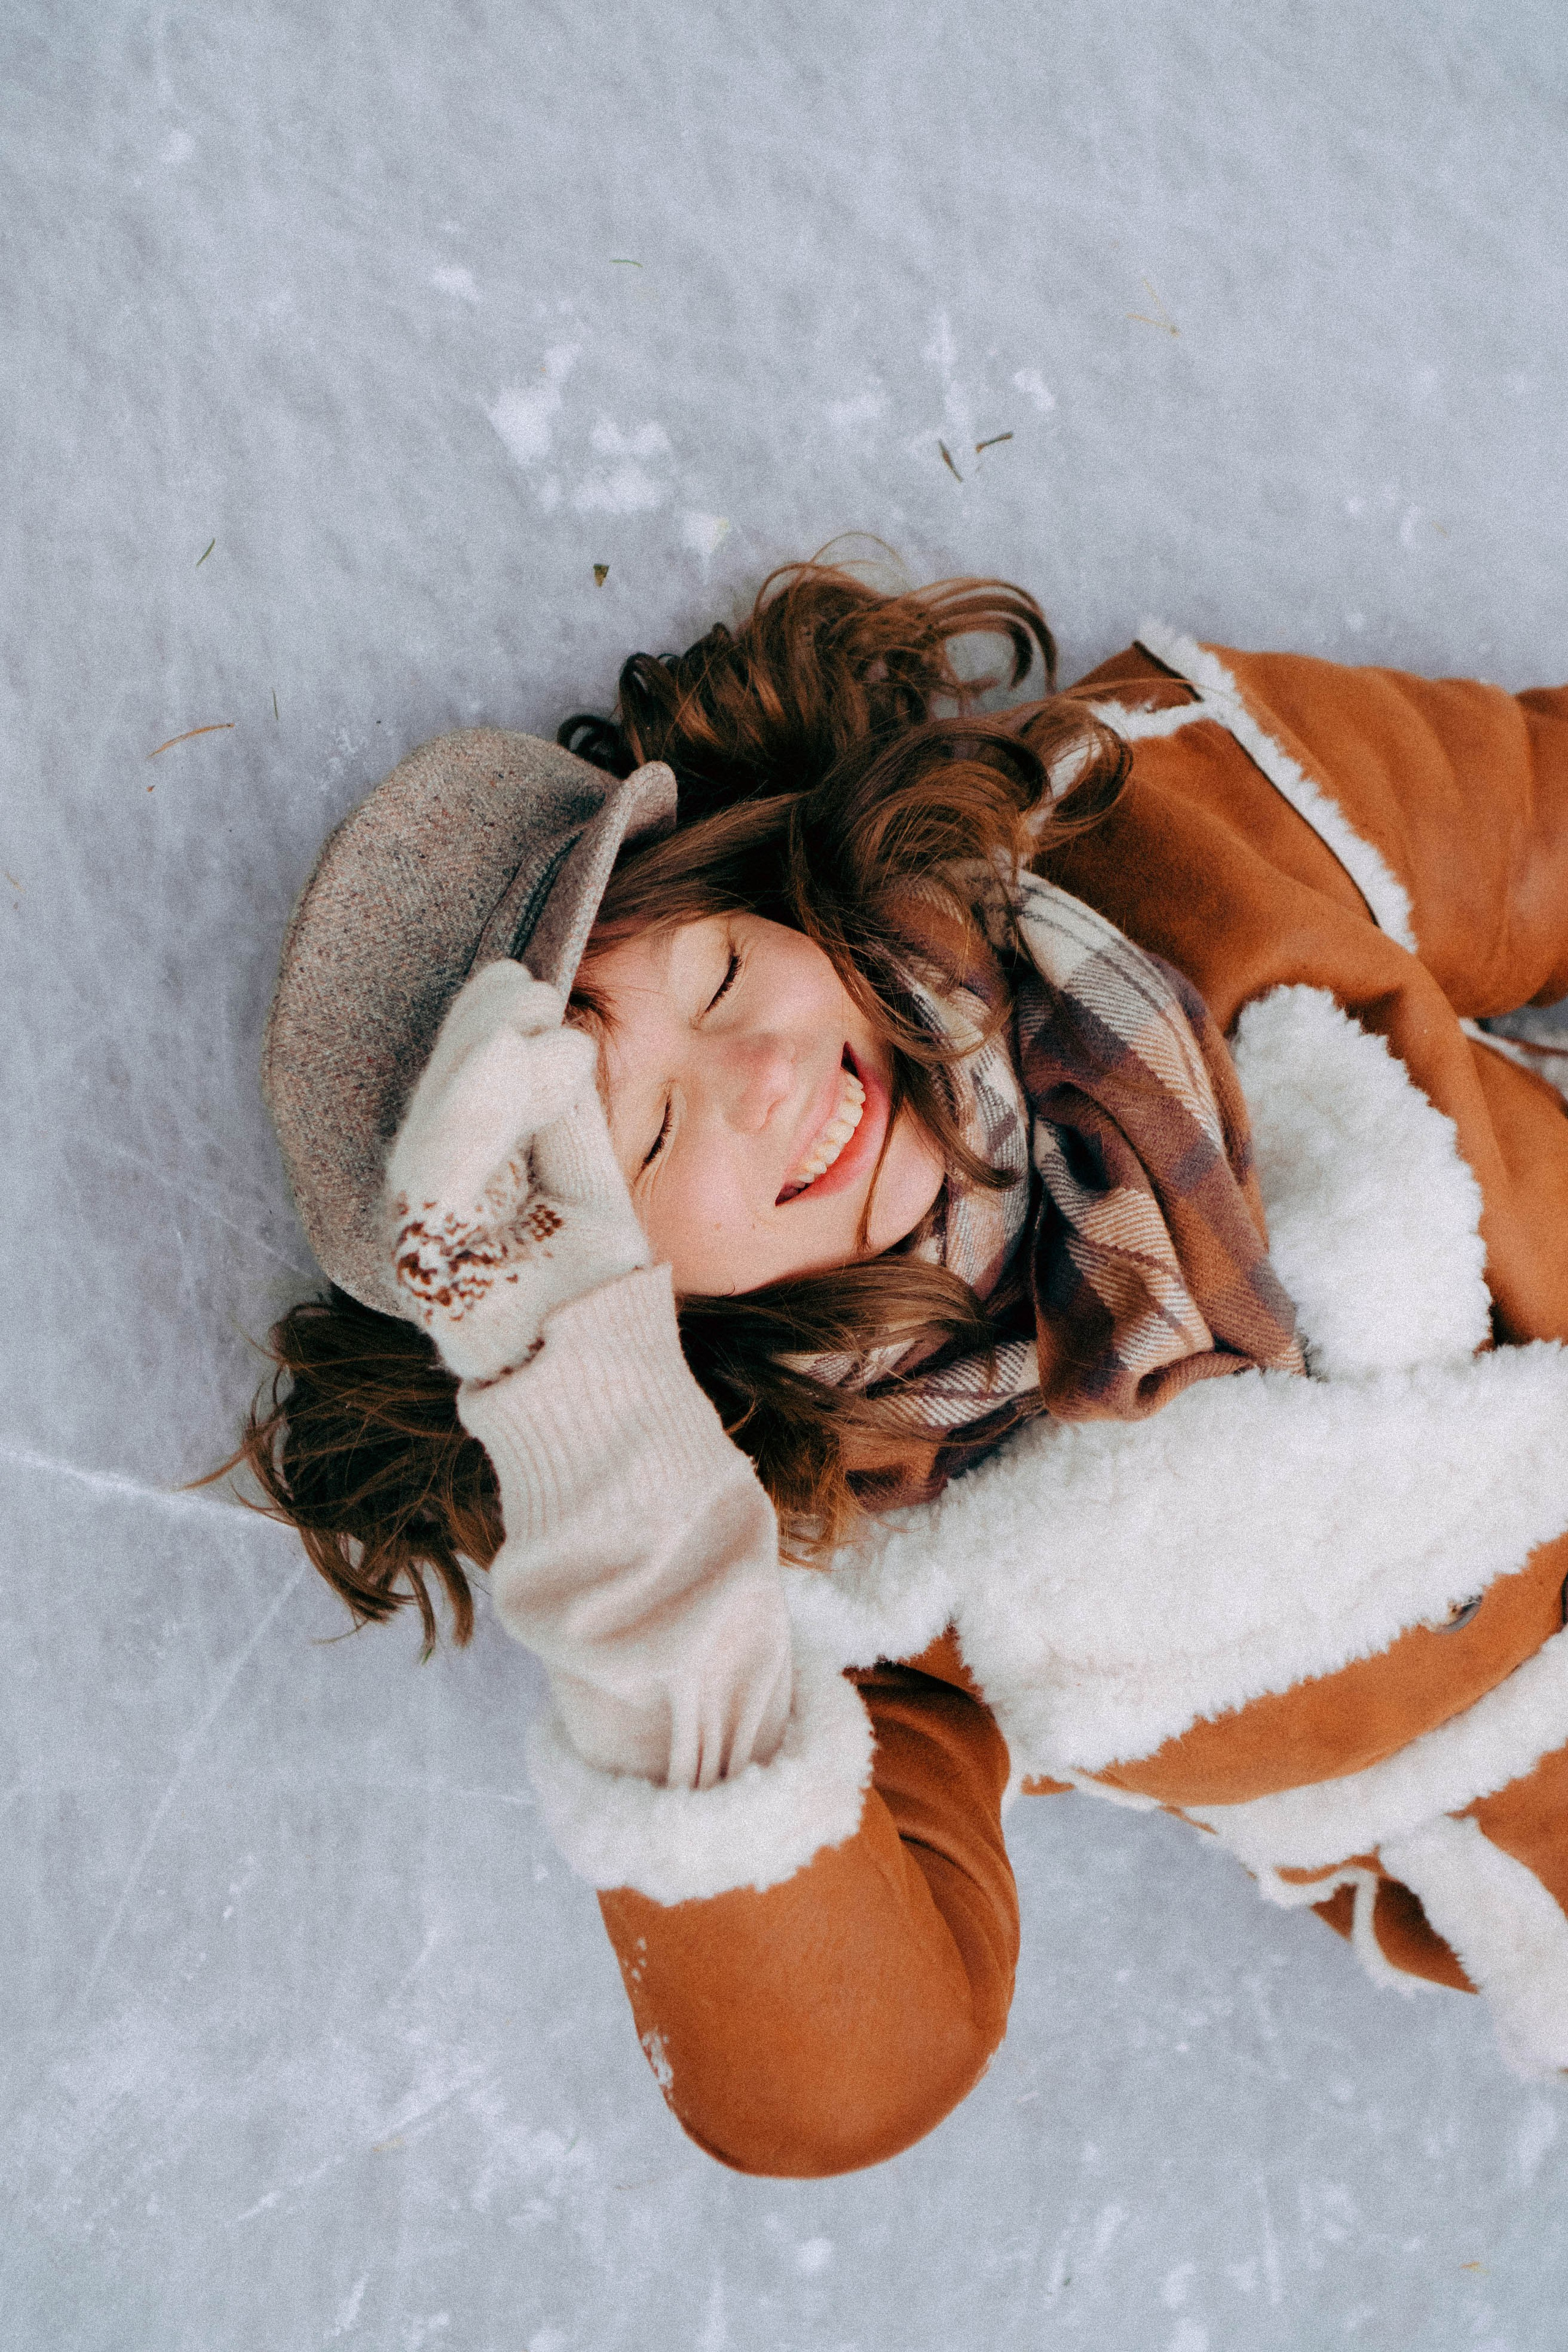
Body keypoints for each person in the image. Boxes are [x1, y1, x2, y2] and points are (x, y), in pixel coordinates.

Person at [241, 560, 1568, 2177]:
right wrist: (623, 1495)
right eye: (647, 1134)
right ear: (626, 1298)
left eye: (722, 968)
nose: (766, 1073)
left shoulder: (1158, 816)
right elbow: (836, 2089)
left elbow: (1538, 819)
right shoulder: (850, 1587)